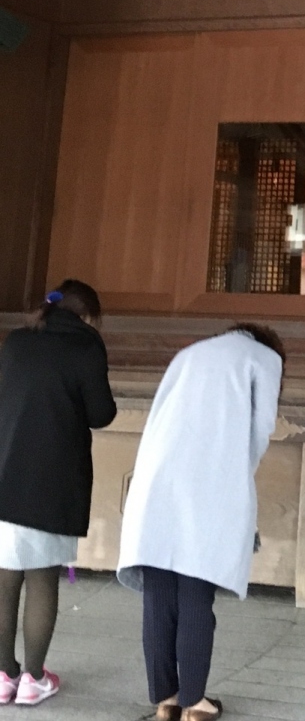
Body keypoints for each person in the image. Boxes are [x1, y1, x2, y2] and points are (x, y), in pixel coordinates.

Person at [117, 323, 284, 721]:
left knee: (159, 595)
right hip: (210, 484)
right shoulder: (265, 359)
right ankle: (195, 703)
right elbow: (261, 428)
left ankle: (166, 701)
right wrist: (238, 475)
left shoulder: (188, 355)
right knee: (195, 590)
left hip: (156, 479)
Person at [0, 279, 116, 706]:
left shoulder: (16, 341)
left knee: (5, 577)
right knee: (43, 577)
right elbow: (101, 413)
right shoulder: (86, 345)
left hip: (5, 470)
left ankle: (3, 676)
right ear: (87, 316)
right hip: (54, 479)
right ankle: (34, 679)